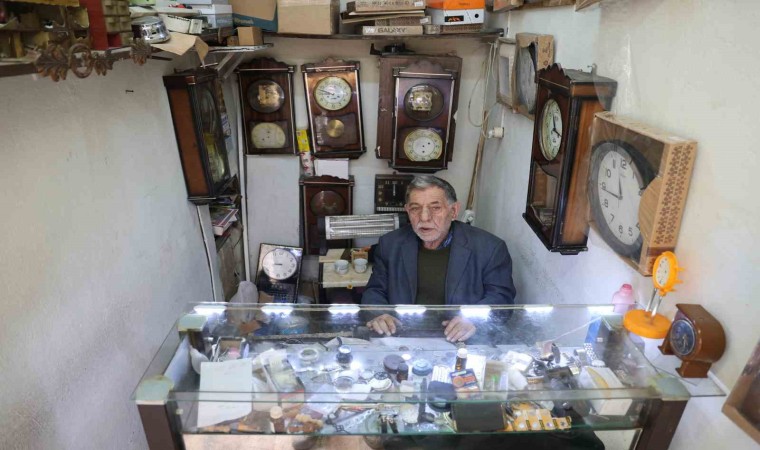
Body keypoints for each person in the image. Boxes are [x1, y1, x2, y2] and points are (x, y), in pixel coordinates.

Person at [362, 175, 516, 342]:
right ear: (407, 211)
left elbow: (501, 298)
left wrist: (474, 319)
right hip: (403, 337)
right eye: (415, 208)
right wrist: (380, 314)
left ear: (453, 211)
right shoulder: (390, 244)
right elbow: (375, 290)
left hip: (462, 341)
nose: (424, 217)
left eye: (435, 208)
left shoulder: (490, 248)